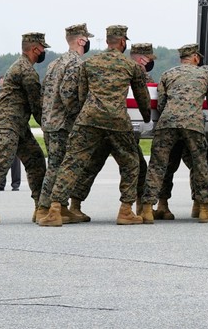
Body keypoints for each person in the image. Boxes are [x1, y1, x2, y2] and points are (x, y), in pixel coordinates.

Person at [39, 25, 150, 227]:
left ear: (107, 41)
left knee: (72, 162)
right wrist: (146, 116)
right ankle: (126, 210)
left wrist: (87, 113)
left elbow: (82, 93)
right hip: (117, 120)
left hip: (88, 119)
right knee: (130, 162)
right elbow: (142, 96)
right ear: (123, 42)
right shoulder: (130, 65)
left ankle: (55, 209)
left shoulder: (88, 63)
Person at [66, 41, 156, 217]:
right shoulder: (134, 72)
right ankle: (136, 208)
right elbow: (144, 99)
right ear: (143, 59)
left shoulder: (111, 67)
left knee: (91, 166)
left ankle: (75, 205)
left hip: (98, 124)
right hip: (119, 127)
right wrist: (147, 119)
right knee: (135, 166)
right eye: (150, 59)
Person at [140, 44, 208, 223]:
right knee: (199, 164)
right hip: (193, 124)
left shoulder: (168, 74)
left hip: (167, 123)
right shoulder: (206, 75)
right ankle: (203, 210)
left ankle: (148, 209)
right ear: (195, 58)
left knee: (158, 165)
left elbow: (161, 103)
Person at [0, 33, 49, 225]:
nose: (44, 52)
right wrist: (48, 127)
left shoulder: (21, 66)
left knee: (36, 160)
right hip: (7, 123)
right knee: (3, 162)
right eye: (43, 48)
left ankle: (40, 208)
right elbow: (36, 105)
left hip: (18, 124)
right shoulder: (26, 71)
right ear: (35, 49)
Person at [35, 23, 93, 224]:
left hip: (50, 122)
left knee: (56, 165)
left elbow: (43, 95)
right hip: (63, 124)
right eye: (86, 39)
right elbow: (68, 94)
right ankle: (44, 208)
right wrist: (79, 115)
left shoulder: (54, 63)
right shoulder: (76, 63)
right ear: (81, 41)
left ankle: (60, 207)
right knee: (58, 167)